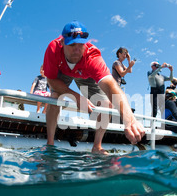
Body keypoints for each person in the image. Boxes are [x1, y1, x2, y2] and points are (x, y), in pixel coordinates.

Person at [43, 20, 145, 154]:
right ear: (62, 43)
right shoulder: (53, 49)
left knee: (107, 104)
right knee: (55, 96)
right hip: (62, 72)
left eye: (81, 45)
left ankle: (97, 146)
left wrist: (129, 119)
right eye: (72, 45)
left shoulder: (92, 56)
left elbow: (111, 86)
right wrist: (76, 97)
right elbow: (51, 79)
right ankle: (50, 142)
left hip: (86, 75)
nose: (77, 50)